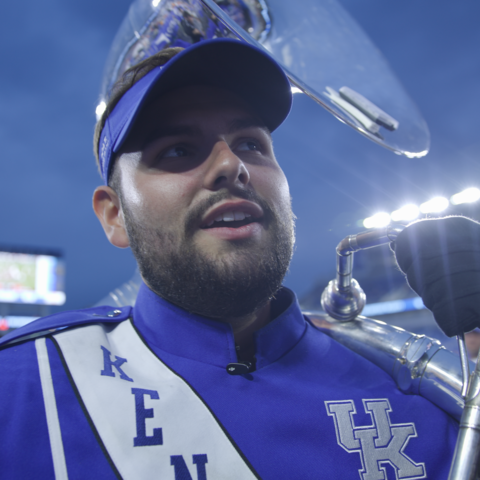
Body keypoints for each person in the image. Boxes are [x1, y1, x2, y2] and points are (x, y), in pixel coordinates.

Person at [0, 38, 458, 479]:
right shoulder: (20, 387)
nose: (230, 165)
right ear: (115, 215)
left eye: (250, 144)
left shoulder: (430, 388)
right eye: (178, 150)